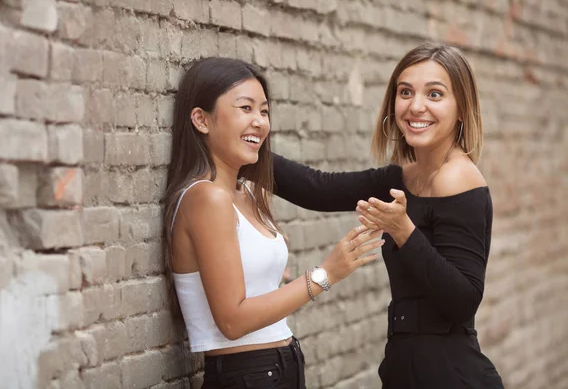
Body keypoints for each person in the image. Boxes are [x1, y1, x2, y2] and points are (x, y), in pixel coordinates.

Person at [272, 42, 505, 388]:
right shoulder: (403, 176)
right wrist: (246, 148)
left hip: (451, 374)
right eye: (405, 92)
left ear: (461, 109)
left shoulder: (459, 177)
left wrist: (404, 230)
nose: (416, 106)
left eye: (435, 94)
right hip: (406, 368)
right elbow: (317, 188)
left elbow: (463, 299)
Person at [162, 57, 384, 389]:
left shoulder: (248, 194)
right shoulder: (206, 198)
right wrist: (326, 274)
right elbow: (232, 321)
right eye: (245, 108)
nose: (259, 122)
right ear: (201, 120)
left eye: (264, 111)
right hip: (247, 374)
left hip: (281, 366)